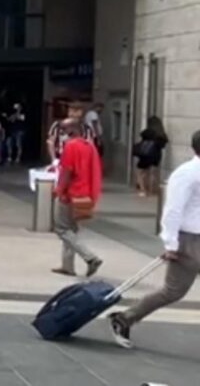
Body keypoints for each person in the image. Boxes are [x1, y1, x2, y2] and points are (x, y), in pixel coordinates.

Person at [109, 129, 200, 349]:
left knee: (172, 291)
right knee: (173, 291)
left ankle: (125, 318)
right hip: (190, 240)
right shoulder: (187, 173)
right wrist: (170, 243)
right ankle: (124, 318)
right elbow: (172, 210)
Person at [51, 118, 103, 278]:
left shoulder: (71, 146)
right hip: (84, 193)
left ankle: (90, 257)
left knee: (61, 228)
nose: (62, 133)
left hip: (71, 194)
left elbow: (67, 171)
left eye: (63, 130)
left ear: (71, 130)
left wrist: (59, 190)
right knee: (71, 229)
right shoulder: (88, 146)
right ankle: (67, 266)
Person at [134, 116, 170, 197]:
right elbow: (163, 145)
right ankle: (152, 191)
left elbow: (142, 135)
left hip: (146, 155)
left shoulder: (148, 131)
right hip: (157, 155)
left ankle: (143, 191)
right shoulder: (162, 134)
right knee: (153, 173)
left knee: (140, 173)